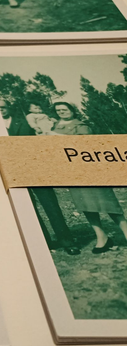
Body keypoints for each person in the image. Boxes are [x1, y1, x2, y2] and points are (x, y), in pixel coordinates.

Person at [0, 99, 80, 255]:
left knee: (51, 206)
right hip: (13, 173)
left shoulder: (27, 121)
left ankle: (67, 241)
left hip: (35, 169)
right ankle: (44, 243)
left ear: (8, 108)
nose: (0, 110)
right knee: (28, 208)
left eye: (2, 107)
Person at [51, 101, 127, 253]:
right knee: (85, 205)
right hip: (72, 172)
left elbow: (86, 143)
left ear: (72, 110)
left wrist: (56, 136)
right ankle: (102, 237)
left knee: (108, 203)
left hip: (90, 170)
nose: (61, 112)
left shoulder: (81, 125)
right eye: (58, 110)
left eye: (64, 109)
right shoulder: (53, 127)